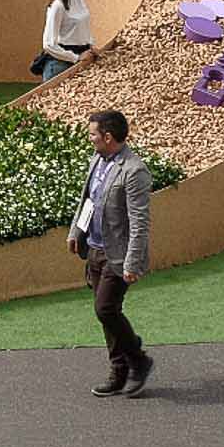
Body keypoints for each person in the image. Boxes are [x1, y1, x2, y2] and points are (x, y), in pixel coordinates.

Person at [69, 109, 154, 396]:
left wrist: (132, 263)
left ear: (108, 137)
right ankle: (119, 372)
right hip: (94, 249)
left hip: (117, 256)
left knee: (105, 309)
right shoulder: (98, 160)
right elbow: (89, 201)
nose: (89, 139)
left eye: (93, 134)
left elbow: (139, 223)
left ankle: (139, 360)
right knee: (107, 314)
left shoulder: (134, 170)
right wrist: (76, 232)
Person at [37, 0, 90, 82]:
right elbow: (48, 44)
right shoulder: (58, 5)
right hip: (59, 64)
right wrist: (76, 57)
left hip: (81, 56)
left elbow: (83, 26)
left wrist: (90, 45)